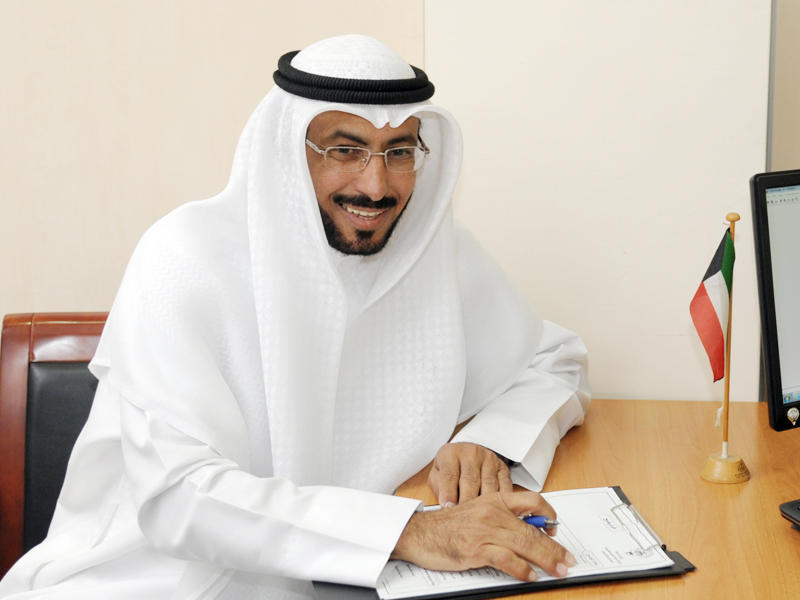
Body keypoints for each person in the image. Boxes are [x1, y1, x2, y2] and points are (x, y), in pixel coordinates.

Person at [0, 35, 590, 599]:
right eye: (344, 150)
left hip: (348, 578)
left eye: (399, 152)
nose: (376, 185)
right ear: (286, 150)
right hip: (149, 583)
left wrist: (488, 440)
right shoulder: (183, 257)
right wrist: (411, 531)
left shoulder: (432, 249)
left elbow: (553, 357)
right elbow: (181, 499)